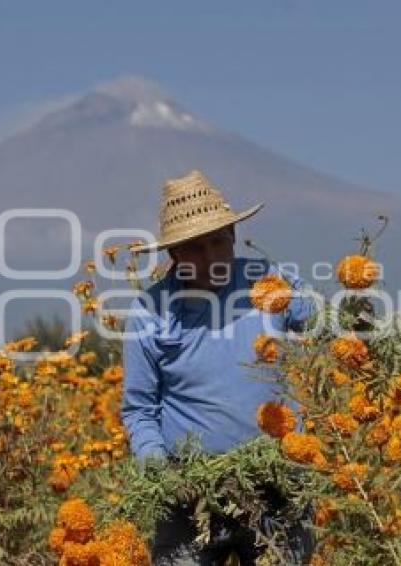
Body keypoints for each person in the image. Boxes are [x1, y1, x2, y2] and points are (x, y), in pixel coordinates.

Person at [122, 170, 316, 565]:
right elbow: (140, 410)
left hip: (278, 487)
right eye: (194, 248)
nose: (211, 258)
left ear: (232, 236)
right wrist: (162, 474)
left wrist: (347, 310)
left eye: (217, 242)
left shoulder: (266, 283)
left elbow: (321, 323)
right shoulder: (150, 312)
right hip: (189, 497)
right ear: (174, 254)